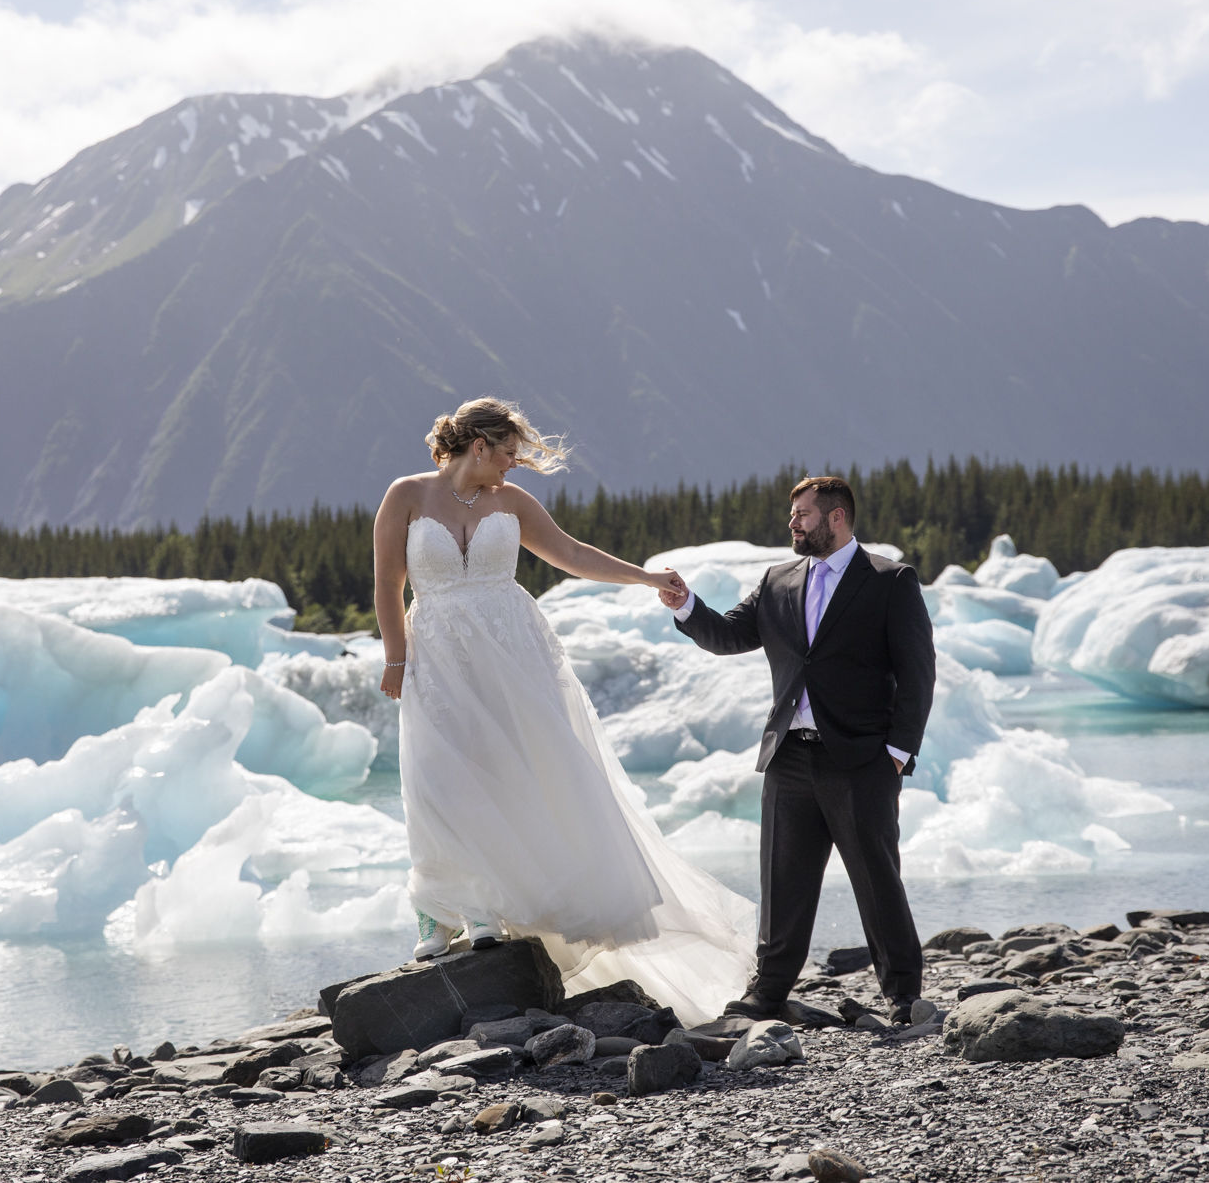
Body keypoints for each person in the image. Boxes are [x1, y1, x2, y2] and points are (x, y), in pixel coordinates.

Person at [373, 397, 755, 1025]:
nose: (515, 465)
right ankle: (439, 911)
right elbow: (388, 581)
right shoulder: (407, 494)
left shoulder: (513, 503)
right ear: (478, 445)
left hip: (513, 650)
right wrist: (396, 659)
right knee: (439, 773)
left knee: (511, 773)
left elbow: (573, 555)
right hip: (437, 652)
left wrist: (648, 578)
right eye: (508, 453)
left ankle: (491, 907)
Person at [658, 476, 935, 1022]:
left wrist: (898, 753)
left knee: (876, 879)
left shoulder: (889, 580)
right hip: (789, 756)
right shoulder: (778, 580)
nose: (793, 523)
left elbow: (917, 672)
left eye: (803, 514)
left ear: (836, 517)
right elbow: (730, 635)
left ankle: (903, 995)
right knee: (783, 881)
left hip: (860, 759)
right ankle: (770, 994)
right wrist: (687, 606)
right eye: (792, 515)